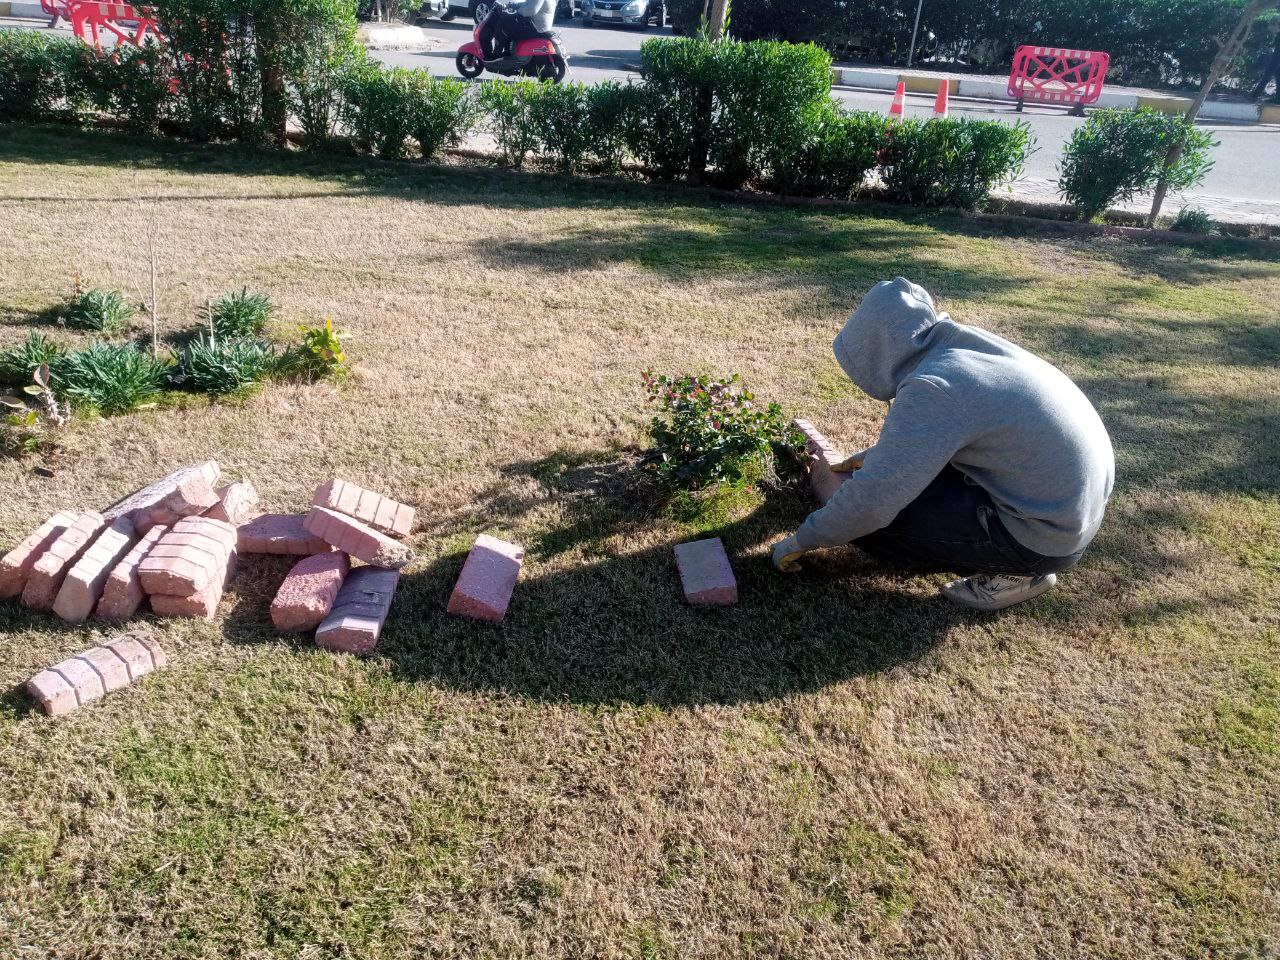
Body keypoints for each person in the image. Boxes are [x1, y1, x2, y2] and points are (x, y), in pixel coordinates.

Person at [771, 278, 1115, 612]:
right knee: (898, 494)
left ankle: (1018, 573)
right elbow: (952, 435)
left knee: (876, 528)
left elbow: (872, 503)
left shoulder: (935, 386)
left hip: (1041, 536)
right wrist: (873, 458)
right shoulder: (964, 347)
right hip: (1071, 509)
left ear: (878, 348)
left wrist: (803, 539)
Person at [481, 0, 554, 61]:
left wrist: (515, 12)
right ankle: (508, 52)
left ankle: (496, 55)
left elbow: (531, 10)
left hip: (536, 27)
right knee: (508, 22)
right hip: (539, 26)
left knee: (502, 25)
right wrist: (511, 5)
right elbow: (527, 4)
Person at [1251, 19, 1280, 103]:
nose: (1269, 28)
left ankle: (1255, 95)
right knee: (1278, 77)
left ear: (1275, 25)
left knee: (1266, 76)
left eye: (1270, 26)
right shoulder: (1278, 35)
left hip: (1276, 59)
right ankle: (1278, 99)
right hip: (1276, 58)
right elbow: (1275, 45)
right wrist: (1269, 47)